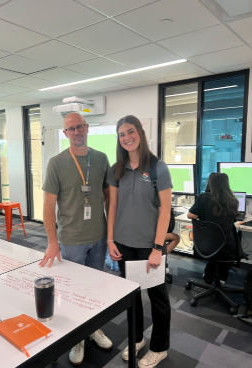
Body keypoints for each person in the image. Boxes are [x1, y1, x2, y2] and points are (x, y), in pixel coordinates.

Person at [39, 112, 112, 365]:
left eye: (80, 127)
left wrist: (111, 235)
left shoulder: (101, 159)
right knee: (72, 292)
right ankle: (76, 337)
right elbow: (48, 206)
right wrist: (52, 241)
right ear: (65, 133)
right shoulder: (56, 163)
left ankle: (93, 328)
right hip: (70, 240)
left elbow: (108, 197)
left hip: (99, 238)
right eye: (71, 129)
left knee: (94, 290)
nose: (76, 132)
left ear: (87, 127)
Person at [107, 115, 172, 368]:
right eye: (122, 134)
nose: (127, 137)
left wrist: (157, 248)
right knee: (131, 296)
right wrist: (111, 239)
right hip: (123, 243)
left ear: (140, 133)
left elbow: (165, 210)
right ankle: (136, 339)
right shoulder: (117, 168)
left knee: (158, 299)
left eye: (130, 131)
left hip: (150, 245)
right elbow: (112, 205)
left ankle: (159, 347)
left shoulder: (157, 167)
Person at [187, 172, 239, 284]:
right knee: (223, 251)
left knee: (215, 252)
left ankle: (209, 275)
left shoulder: (203, 198)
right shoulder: (233, 200)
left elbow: (190, 215)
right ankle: (222, 277)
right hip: (227, 247)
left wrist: (204, 215)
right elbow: (232, 219)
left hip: (207, 244)